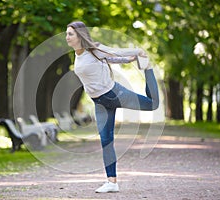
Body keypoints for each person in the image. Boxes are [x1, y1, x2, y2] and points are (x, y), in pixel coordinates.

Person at [66, 21, 159, 193]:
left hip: (114, 94)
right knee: (106, 141)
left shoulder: (93, 49)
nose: (67, 37)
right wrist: (128, 59)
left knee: (152, 105)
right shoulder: (77, 55)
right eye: (67, 34)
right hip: (99, 102)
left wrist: (137, 53)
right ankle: (112, 182)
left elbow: (113, 53)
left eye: (70, 34)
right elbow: (111, 58)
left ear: (80, 35)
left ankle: (149, 69)